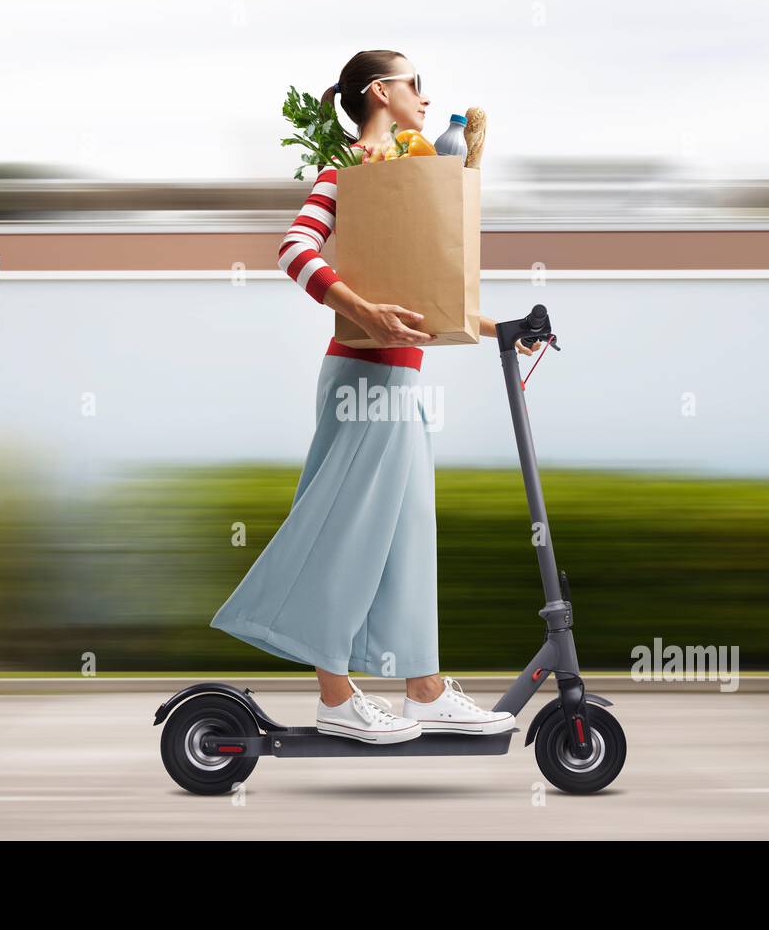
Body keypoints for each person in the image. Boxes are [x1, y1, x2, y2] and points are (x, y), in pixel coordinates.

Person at [209, 50, 533, 744]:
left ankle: (424, 690)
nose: (425, 97)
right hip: (362, 377)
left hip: (399, 381)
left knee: (408, 534)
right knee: (344, 531)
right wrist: (364, 310)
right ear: (382, 92)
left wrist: (502, 328)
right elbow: (295, 250)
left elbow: (424, 294)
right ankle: (335, 699)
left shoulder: (409, 180)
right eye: (415, 84)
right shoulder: (348, 172)